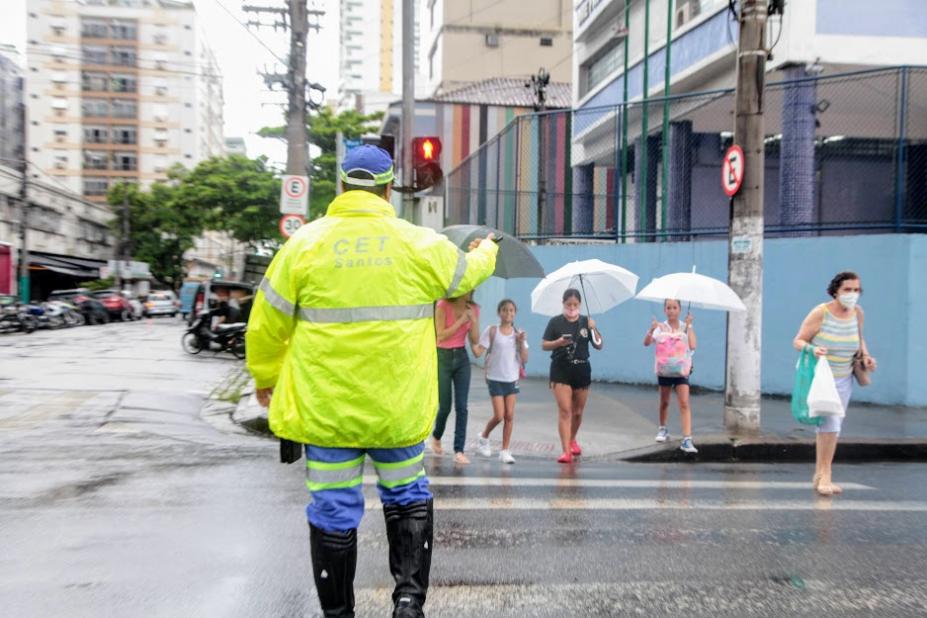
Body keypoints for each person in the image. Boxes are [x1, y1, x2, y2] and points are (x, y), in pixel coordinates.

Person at [246, 144, 497, 618]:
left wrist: (266, 376)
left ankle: (339, 614)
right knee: (407, 497)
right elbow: (469, 272)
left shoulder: (304, 245)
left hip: (327, 414)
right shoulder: (419, 244)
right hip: (397, 410)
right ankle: (407, 600)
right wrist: (486, 249)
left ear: (341, 187)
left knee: (333, 512)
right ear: (386, 191)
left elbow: (266, 323)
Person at [793, 271, 877, 497]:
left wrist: (866, 356)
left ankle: (820, 473)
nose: (852, 294)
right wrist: (814, 349)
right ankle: (825, 475)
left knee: (830, 425)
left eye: (856, 290)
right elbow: (798, 340)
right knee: (831, 424)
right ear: (835, 291)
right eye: (847, 290)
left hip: (845, 376)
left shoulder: (857, 313)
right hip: (821, 376)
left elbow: (859, 338)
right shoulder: (821, 312)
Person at [541, 289, 603, 464]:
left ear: (580, 305)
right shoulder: (555, 322)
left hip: (581, 369)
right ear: (563, 304)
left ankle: (572, 439)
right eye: (569, 304)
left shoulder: (585, 322)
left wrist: (594, 328)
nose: (572, 308)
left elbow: (599, 345)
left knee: (577, 412)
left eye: (575, 304)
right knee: (565, 410)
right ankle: (566, 451)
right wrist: (558, 343)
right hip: (560, 370)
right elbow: (544, 345)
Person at [431, 291, 483, 465]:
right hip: (443, 357)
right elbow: (441, 335)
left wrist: (473, 320)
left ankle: (459, 450)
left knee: (462, 406)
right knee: (445, 406)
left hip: (461, 357)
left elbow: (475, 339)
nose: (471, 291)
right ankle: (437, 436)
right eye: (468, 288)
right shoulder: (442, 305)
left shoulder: (473, 308)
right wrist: (461, 320)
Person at [476, 299, 529, 464]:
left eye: (511, 310)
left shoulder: (518, 334)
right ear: (499, 313)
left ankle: (505, 451)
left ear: (515, 313)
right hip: (494, 378)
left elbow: (525, 359)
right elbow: (479, 350)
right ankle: (484, 437)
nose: (508, 313)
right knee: (499, 415)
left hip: (511, 378)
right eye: (505, 310)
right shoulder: (492, 331)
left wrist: (521, 343)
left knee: (509, 416)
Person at [643, 299, 698, 453]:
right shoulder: (660, 327)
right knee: (664, 401)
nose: (672, 310)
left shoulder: (685, 326)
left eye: (675, 307)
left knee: (684, 403)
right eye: (669, 307)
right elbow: (646, 343)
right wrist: (651, 329)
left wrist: (690, 325)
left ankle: (687, 439)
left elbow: (693, 345)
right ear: (664, 310)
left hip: (681, 370)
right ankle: (663, 428)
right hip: (665, 370)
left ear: (680, 309)